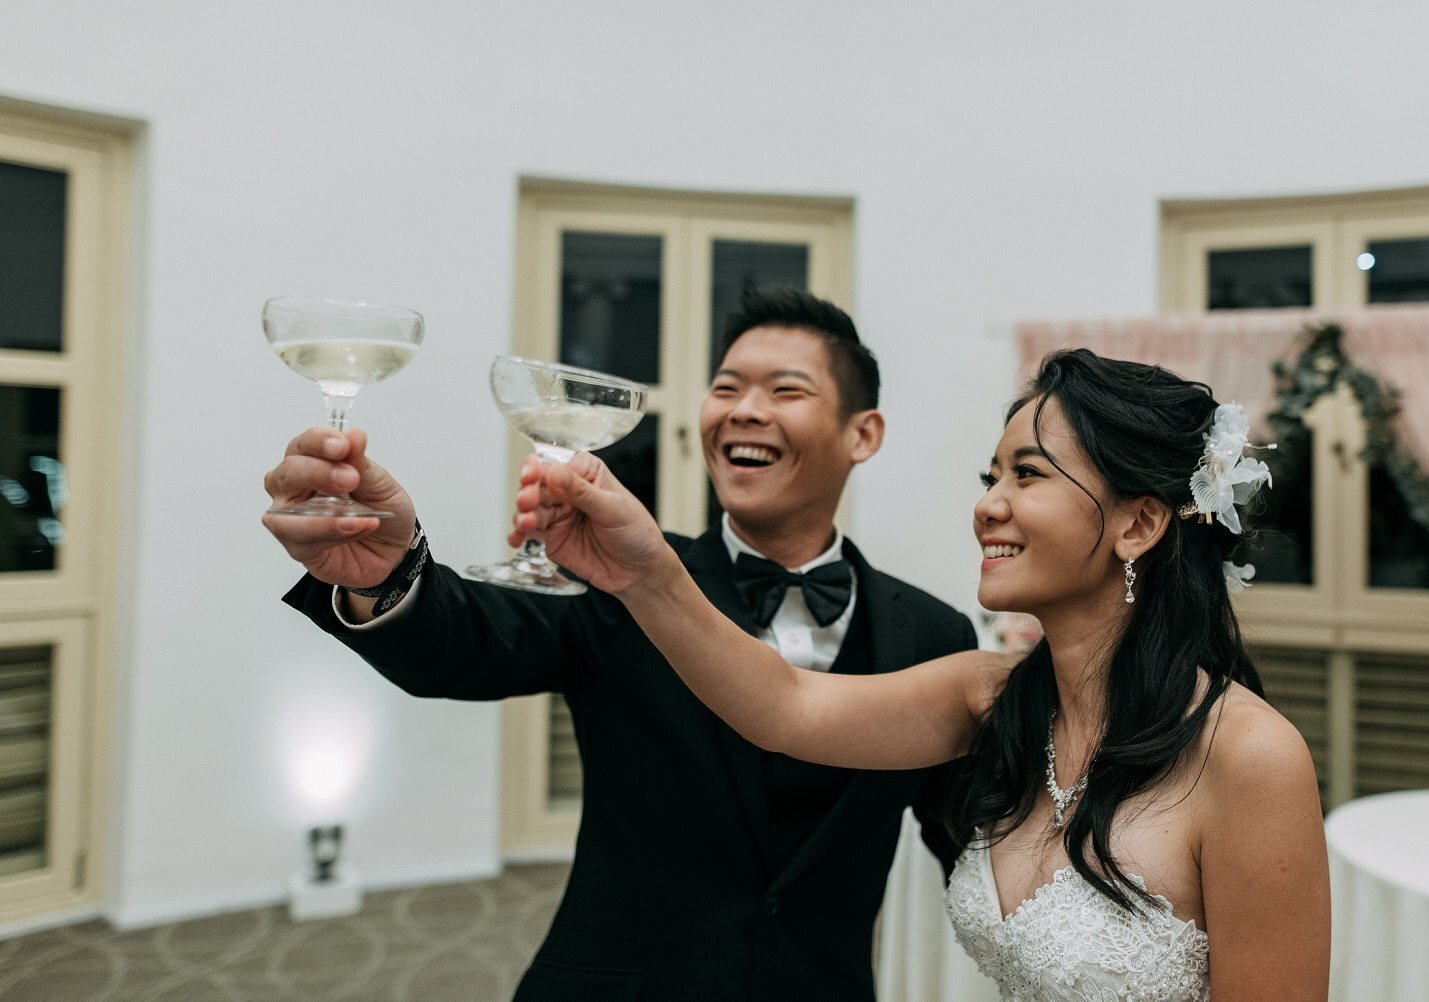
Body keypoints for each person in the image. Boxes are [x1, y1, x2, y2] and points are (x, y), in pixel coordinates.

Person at [511, 348, 1333, 1000]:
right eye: (991, 476)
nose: (988, 504)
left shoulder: (1249, 758)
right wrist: (644, 569)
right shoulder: (989, 695)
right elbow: (783, 705)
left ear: (1140, 523)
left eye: (1029, 474)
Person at [263, 287, 977, 1002]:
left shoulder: (936, 638)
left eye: (786, 390)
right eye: (725, 388)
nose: (744, 410)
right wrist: (389, 572)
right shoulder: (623, 572)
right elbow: (468, 640)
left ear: (864, 433)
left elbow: (977, 848)